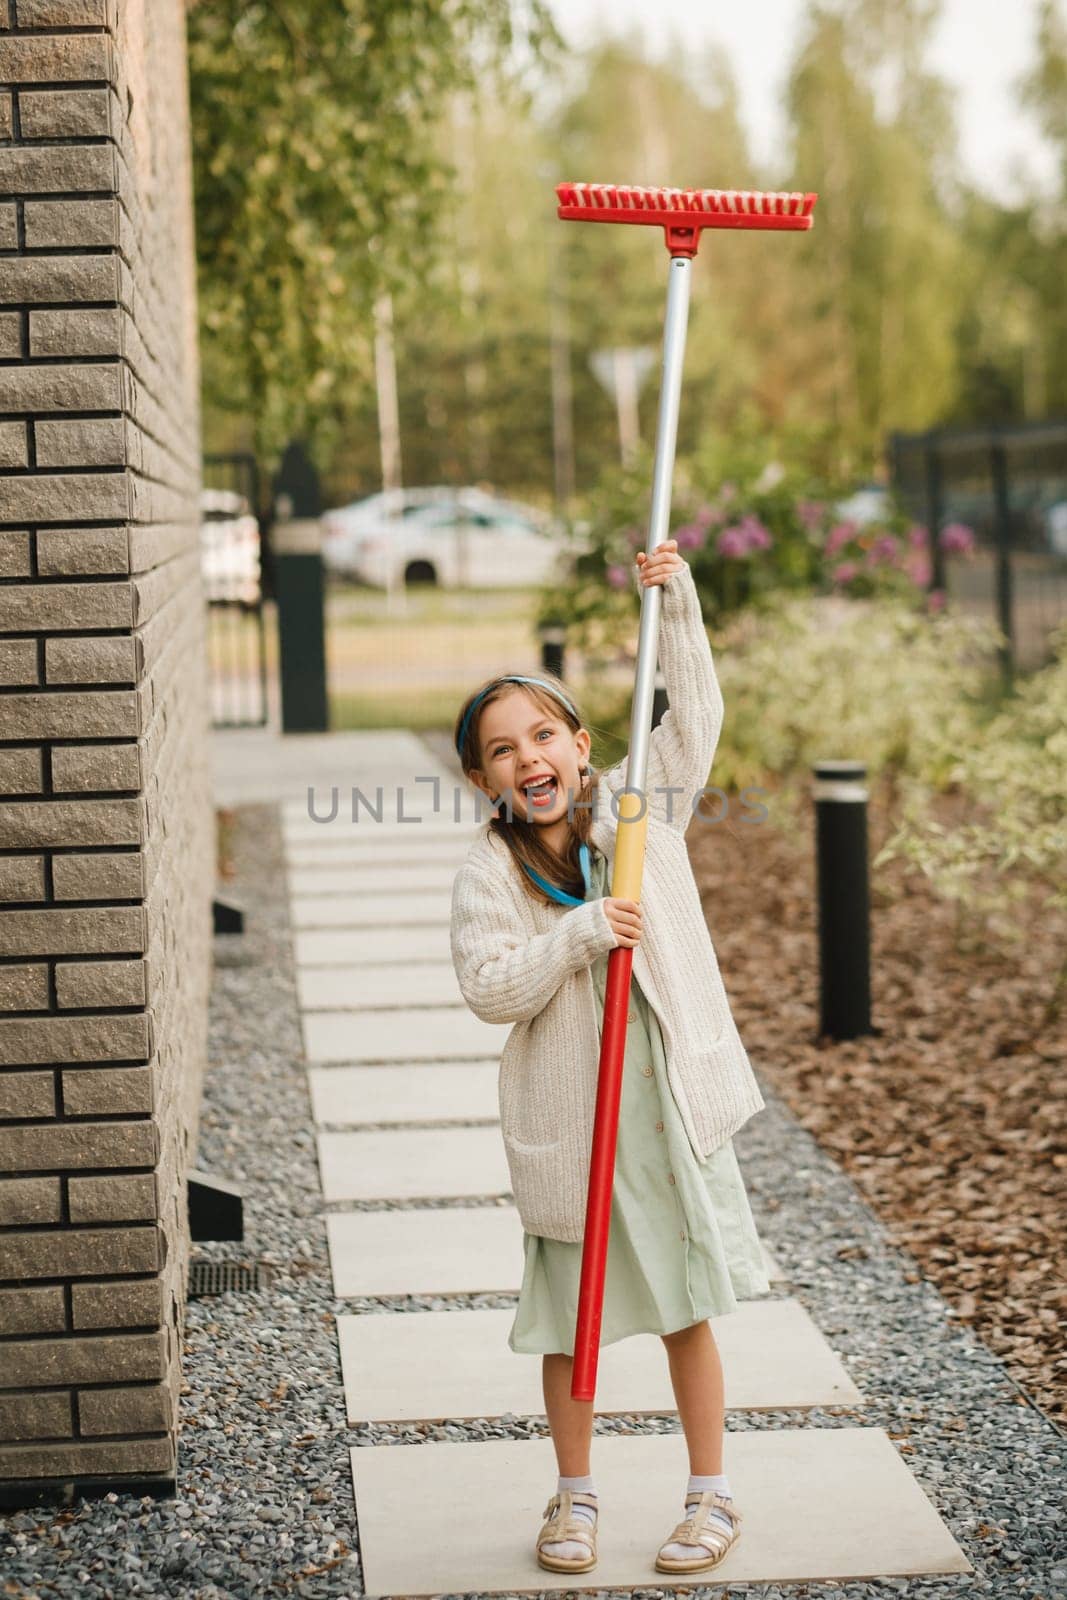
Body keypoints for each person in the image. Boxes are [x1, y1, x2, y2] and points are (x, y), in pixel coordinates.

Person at [449, 539, 770, 1578]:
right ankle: (574, 1493)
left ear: (583, 744)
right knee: (567, 1317)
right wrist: (583, 929)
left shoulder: (641, 806)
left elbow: (698, 719)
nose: (526, 757)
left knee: (685, 1303)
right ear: (479, 779)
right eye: (500, 750)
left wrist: (672, 601)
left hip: (660, 1107)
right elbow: (490, 985)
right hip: (572, 1125)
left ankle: (708, 1492)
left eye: (542, 733)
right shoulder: (489, 871)